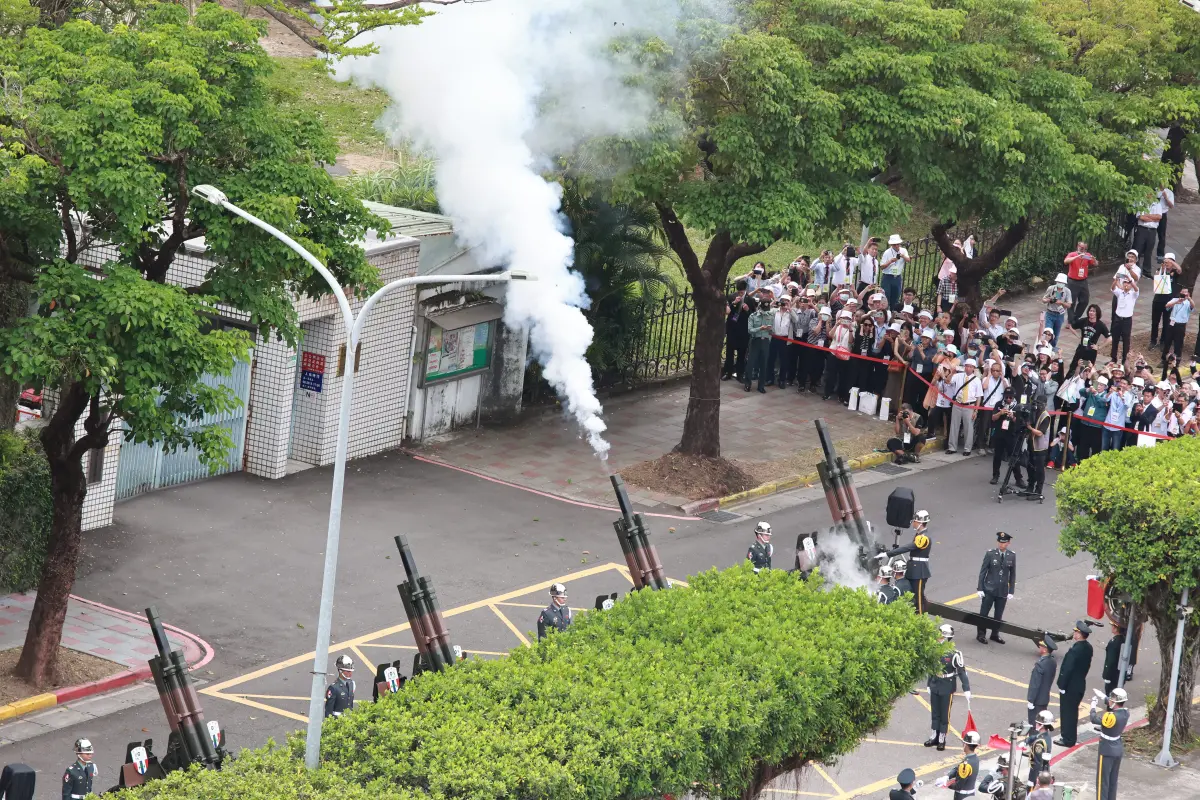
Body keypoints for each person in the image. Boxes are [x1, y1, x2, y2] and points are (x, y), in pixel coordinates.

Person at [925, 624, 971, 751]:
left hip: (947, 685)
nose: (937, 637)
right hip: (935, 683)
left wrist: (966, 688)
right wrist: (929, 684)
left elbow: (961, 671)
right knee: (935, 712)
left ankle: (942, 738)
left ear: (946, 638)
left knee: (944, 714)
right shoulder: (934, 650)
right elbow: (931, 668)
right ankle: (934, 736)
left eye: (940, 635)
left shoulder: (954, 654)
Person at [1055, 620, 1095, 747]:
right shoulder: (1088, 648)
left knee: (1067, 713)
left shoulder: (1075, 650)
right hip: (1079, 684)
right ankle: (1070, 737)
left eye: (1076, 632)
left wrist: (1062, 684)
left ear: (1079, 634)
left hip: (1070, 686)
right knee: (1072, 712)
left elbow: (1067, 669)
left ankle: (1067, 738)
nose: (1074, 633)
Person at [884, 510, 932, 613]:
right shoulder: (919, 535)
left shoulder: (924, 537)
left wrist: (889, 554)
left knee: (918, 598)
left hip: (920, 570)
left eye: (914, 521)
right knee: (912, 595)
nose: (913, 523)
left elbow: (909, 547)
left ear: (919, 522)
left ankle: (920, 619)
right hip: (914, 569)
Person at [976, 531, 1016, 644]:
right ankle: (981, 634)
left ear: (1008, 543)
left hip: (1002, 590)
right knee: (984, 614)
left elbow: (1012, 574)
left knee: (998, 615)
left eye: (1004, 543)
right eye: (1000, 542)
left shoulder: (1012, 555)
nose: (1001, 544)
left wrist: (1011, 590)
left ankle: (995, 634)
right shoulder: (990, 554)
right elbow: (983, 572)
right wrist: (980, 588)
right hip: (989, 589)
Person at [1090, 687, 1129, 800]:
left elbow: (1093, 719)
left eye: (1111, 700)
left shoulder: (1110, 717)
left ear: (1114, 702)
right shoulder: (1125, 713)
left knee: (1102, 782)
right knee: (1112, 781)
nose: (1110, 701)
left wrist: (1093, 705)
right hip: (1117, 748)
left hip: (1106, 749)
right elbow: (1112, 703)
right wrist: (1103, 696)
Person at [947, 358, 982, 455]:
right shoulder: (958, 376)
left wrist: (976, 411)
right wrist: (951, 373)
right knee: (954, 425)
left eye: (970, 367)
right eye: (966, 366)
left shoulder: (977, 380)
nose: (968, 368)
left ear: (973, 368)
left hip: (969, 405)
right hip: (957, 403)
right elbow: (948, 381)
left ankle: (967, 449)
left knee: (968, 427)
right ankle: (952, 447)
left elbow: (978, 397)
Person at [1150, 252, 1183, 348]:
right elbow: (1155, 281)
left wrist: (1172, 263)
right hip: (1158, 299)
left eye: (1169, 261)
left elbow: (1180, 270)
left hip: (1169, 301)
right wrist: (1162, 268)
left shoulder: (1175, 273)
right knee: (1155, 321)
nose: (1167, 263)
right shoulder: (1159, 270)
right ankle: (1153, 340)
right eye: (1166, 261)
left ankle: (1163, 341)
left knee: (1166, 322)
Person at [935, 730, 980, 797]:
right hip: (970, 794)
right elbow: (958, 769)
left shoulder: (966, 764)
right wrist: (947, 776)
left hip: (962, 796)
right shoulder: (974, 758)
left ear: (966, 745)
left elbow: (958, 786)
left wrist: (946, 784)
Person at [722, 281, 752, 381]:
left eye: (742, 292)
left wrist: (747, 310)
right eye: (739, 292)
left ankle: (740, 373)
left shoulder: (750, 299)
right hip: (732, 329)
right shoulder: (731, 297)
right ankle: (728, 372)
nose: (740, 294)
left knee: (742, 352)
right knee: (729, 351)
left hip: (743, 330)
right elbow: (726, 311)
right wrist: (733, 303)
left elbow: (753, 315)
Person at [1027, 635, 1058, 724]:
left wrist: (1031, 700)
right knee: (1041, 723)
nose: (1039, 647)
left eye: (1041, 646)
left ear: (1045, 649)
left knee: (1034, 725)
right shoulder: (1052, 661)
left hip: (1037, 700)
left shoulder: (1040, 665)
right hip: (1044, 699)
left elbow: (1035, 685)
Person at [1064, 242, 1097, 322]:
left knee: (1085, 301)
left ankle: (1075, 317)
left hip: (1083, 281)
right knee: (1071, 301)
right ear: (1078, 246)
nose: (1082, 249)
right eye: (1081, 247)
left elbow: (1095, 264)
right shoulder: (1072, 254)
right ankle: (1071, 321)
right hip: (1073, 281)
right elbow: (1066, 261)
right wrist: (1078, 256)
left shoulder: (1087, 255)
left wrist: (1093, 259)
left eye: (1084, 248)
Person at [1110, 272, 1139, 364]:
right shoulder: (1120, 292)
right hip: (1118, 318)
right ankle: (1113, 358)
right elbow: (1112, 288)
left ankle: (1124, 359)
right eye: (1125, 282)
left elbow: (1136, 289)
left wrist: (1131, 280)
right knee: (1115, 339)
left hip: (1127, 320)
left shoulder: (1133, 294)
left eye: (1128, 283)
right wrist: (1116, 280)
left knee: (1126, 340)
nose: (1126, 284)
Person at [744, 299, 772, 393]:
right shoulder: (753, 316)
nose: (765, 310)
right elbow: (750, 330)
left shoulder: (770, 316)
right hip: (755, 340)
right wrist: (760, 328)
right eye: (764, 308)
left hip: (765, 341)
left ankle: (761, 386)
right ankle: (747, 383)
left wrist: (769, 330)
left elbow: (773, 330)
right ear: (760, 306)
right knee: (750, 363)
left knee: (764, 364)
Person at [1026, 399, 1052, 499]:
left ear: (1045, 404)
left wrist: (1029, 428)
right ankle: (1030, 486)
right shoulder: (1034, 412)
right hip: (1032, 445)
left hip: (1041, 447)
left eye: (1040, 403)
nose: (1038, 405)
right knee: (1030, 466)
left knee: (1039, 469)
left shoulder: (1046, 416)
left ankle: (1038, 491)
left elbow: (1040, 433)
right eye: (1037, 403)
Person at [1022, 710, 1055, 789]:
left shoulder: (1039, 743)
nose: (1036, 724)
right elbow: (1035, 737)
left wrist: (1034, 778)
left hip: (1036, 774)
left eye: (1038, 723)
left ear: (1042, 725)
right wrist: (1026, 741)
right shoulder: (1045, 736)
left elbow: (1037, 762)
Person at [1163, 284, 1192, 365]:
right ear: (1180, 293)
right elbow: (1167, 306)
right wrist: (1177, 301)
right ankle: (1164, 359)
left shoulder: (1188, 303)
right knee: (1167, 341)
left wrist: (1189, 298)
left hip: (1181, 325)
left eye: (1185, 293)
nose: (1184, 294)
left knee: (1178, 343)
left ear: (1188, 294)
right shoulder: (1175, 299)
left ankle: (1177, 361)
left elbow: (1193, 306)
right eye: (1182, 292)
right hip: (1172, 323)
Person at [1041, 273, 1072, 346]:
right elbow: (1043, 300)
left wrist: (1061, 302)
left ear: (1064, 283)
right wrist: (1049, 299)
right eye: (1059, 282)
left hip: (1060, 315)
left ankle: (1052, 348)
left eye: (1062, 282)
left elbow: (1069, 305)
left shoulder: (1067, 291)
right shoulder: (1051, 288)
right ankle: (1045, 346)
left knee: (1056, 334)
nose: (1060, 284)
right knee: (1048, 332)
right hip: (1050, 313)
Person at [881, 234, 909, 310]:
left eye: (898, 244)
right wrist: (890, 261)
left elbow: (908, 260)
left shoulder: (903, 250)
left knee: (896, 297)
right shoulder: (887, 252)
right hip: (887, 277)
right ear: (891, 245)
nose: (896, 246)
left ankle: (893, 312)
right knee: (886, 297)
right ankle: (885, 313)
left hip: (897, 277)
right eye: (894, 244)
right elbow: (882, 266)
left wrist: (902, 256)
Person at [1102, 623, 1126, 696]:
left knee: (1110, 695)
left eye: (1113, 626)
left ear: (1116, 629)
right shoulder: (1124, 639)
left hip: (1112, 675)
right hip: (1119, 673)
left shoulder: (1114, 642)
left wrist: (1107, 676)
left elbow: (1111, 661)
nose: (1111, 627)